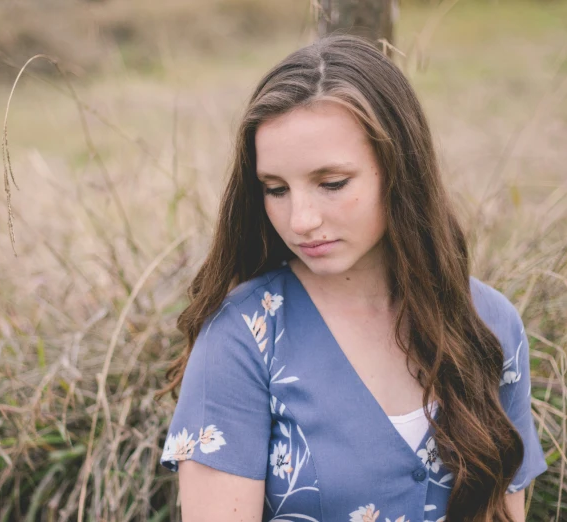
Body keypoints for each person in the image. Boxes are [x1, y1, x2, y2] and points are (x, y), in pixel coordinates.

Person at [155, 35, 547, 522]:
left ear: (399, 169)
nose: (300, 220)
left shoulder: (488, 323)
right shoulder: (245, 336)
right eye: (275, 189)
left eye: (332, 184)